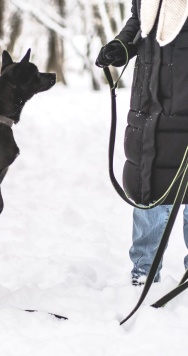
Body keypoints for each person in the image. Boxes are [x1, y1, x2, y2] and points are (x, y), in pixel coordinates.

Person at [95, 0, 188, 286]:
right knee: (148, 189)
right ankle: (144, 270)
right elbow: (138, 24)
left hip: (184, 108)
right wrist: (121, 46)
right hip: (148, 107)